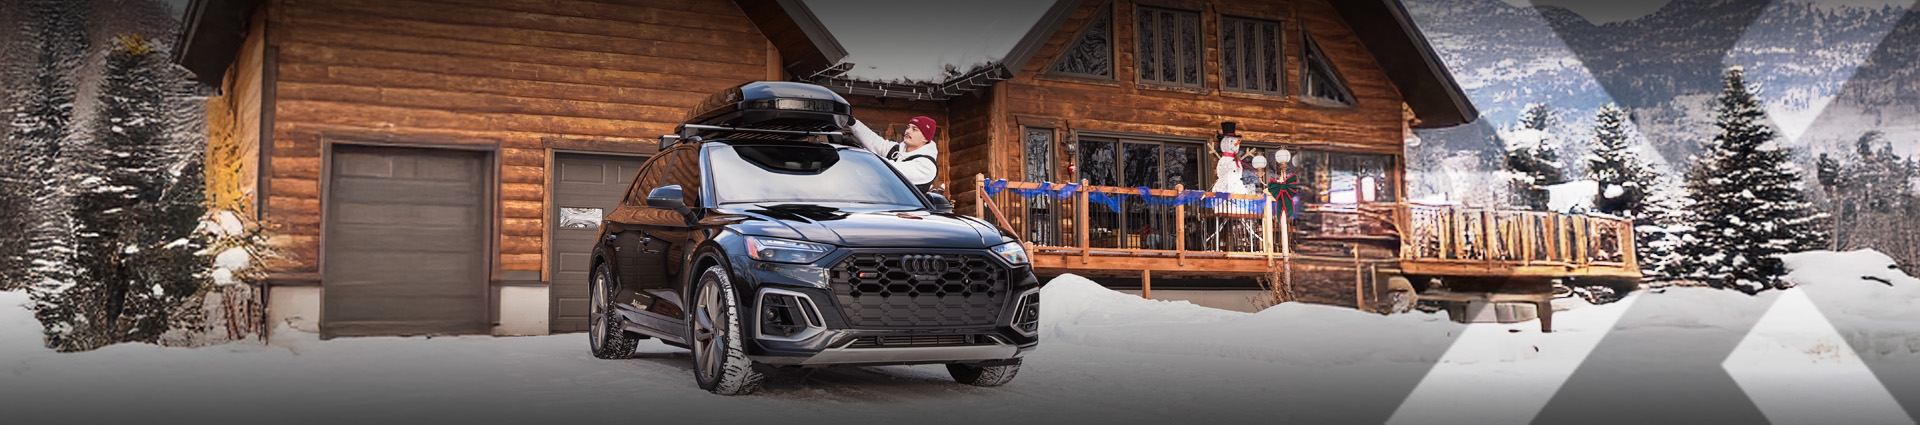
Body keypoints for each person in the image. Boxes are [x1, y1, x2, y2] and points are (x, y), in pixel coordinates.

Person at [848, 116, 939, 193]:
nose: (907, 131)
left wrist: (862, 153)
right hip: (884, 206)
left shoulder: (927, 166)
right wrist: (853, 122)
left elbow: (892, 170)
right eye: (908, 127)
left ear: (925, 139)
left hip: (908, 212)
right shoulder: (896, 150)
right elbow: (875, 142)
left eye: (914, 129)